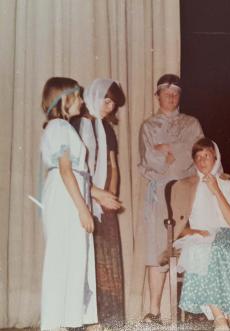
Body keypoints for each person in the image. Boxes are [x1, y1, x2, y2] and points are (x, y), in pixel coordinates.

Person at [39, 77, 120, 330]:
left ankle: (67, 322)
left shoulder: (59, 128)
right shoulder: (61, 128)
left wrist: (95, 194)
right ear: (65, 99)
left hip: (68, 193)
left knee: (72, 260)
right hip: (67, 197)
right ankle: (56, 323)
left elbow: (71, 172)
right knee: (65, 259)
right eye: (78, 96)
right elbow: (66, 171)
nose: (83, 102)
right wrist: (83, 209)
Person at [138, 74, 204, 322]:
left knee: (192, 247)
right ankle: (154, 311)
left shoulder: (191, 123)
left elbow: (196, 153)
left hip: (188, 192)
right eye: (166, 93)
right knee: (158, 250)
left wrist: (167, 149)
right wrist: (169, 152)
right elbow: (148, 160)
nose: (171, 97)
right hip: (158, 195)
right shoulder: (148, 126)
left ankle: (194, 308)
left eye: (176, 93)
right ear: (157, 96)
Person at [170, 138, 230, 331]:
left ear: (216, 157)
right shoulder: (185, 185)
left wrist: (216, 190)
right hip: (198, 237)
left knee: (218, 249)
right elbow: (178, 223)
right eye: (197, 157)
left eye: (206, 155)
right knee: (200, 251)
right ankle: (220, 317)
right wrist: (192, 231)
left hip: (226, 233)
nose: (202, 161)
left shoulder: (226, 182)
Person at [71, 78, 127, 328]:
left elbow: (113, 167)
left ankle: (106, 322)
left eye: (113, 104)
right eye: (106, 101)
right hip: (80, 202)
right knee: (83, 264)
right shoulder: (74, 124)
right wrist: (95, 195)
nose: (110, 108)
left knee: (106, 263)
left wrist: (108, 199)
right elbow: (74, 170)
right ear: (94, 96)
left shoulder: (108, 130)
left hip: (103, 205)